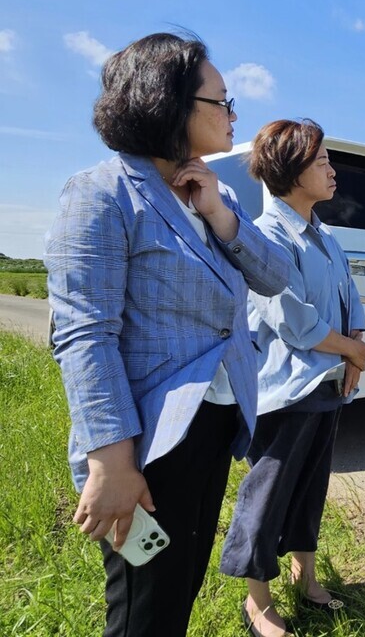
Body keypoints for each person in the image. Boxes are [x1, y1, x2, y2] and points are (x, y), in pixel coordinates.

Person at [44, 32, 290, 637]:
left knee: (179, 590)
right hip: (149, 442)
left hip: (215, 424)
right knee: (143, 612)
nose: (234, 116)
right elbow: (84, 334)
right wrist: (111, 460)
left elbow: (273, 276)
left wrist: (220, 215)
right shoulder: (102, 193)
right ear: (170, 102)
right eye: (223, 101)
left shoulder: (217, 192)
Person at [219, 119, 365, 637]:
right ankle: (256, 601)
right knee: (268, 494)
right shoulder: (268, 236)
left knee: (310, 487)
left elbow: (351, 298)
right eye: (322, 160)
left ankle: (306, 580)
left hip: (327, 383)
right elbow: (295, 321)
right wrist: (352, 348)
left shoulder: (325, 235)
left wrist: (354, 353)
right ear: (290, 169)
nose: (332, 169)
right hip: (286, 390)